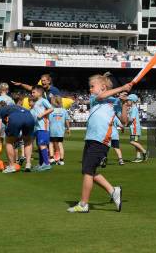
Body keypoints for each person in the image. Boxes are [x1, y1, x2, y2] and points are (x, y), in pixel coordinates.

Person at [67, 74, 131, 213]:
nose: (90, 89)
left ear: (103, 87)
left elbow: (124, 121)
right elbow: (102, 97)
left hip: (101, 140)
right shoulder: (95, 99)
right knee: (88, 170)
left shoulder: (115, 102)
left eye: (92, 86)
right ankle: (113, 191)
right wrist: (122, 88)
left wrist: (124, 104)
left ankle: (83, 204)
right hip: (90, 138)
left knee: (88, 171)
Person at [0, 94, 36, 173]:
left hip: (16, 118)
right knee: (28, 141)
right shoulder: (12, 107)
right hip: (29, 116)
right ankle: (28, 164)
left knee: (9, 142)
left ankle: (11, 166)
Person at [29, 85, 53, 171]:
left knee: (42, 145)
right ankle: (41, 164)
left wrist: (42, 114)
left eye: (33, 92)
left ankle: (47, 164)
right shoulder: (36, 102)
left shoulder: (43, 100)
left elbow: (51, 108)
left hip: (43, 127)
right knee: (39, 146)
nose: (32, 94)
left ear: (39, 93)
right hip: (37, 128)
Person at [122, 94, 147, 163]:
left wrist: (126, 123)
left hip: (135, 128)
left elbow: (131, 119)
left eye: (128, 100)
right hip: (134, 128)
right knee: (136, 142)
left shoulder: (134, 108)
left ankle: (144, 152)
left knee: (132, 142)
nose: (127, 101)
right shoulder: (133, 108)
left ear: (132, 101)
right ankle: (138, 157)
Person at [48, 95, 70, 165]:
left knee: (51, 143)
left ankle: (51, 158)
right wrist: (68, 128)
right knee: (60, 144)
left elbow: (48, 120)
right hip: (60, 130)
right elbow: (67, 120)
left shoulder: (51, 110)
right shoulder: (64, 110)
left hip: (52, 129)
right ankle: (61, 160)